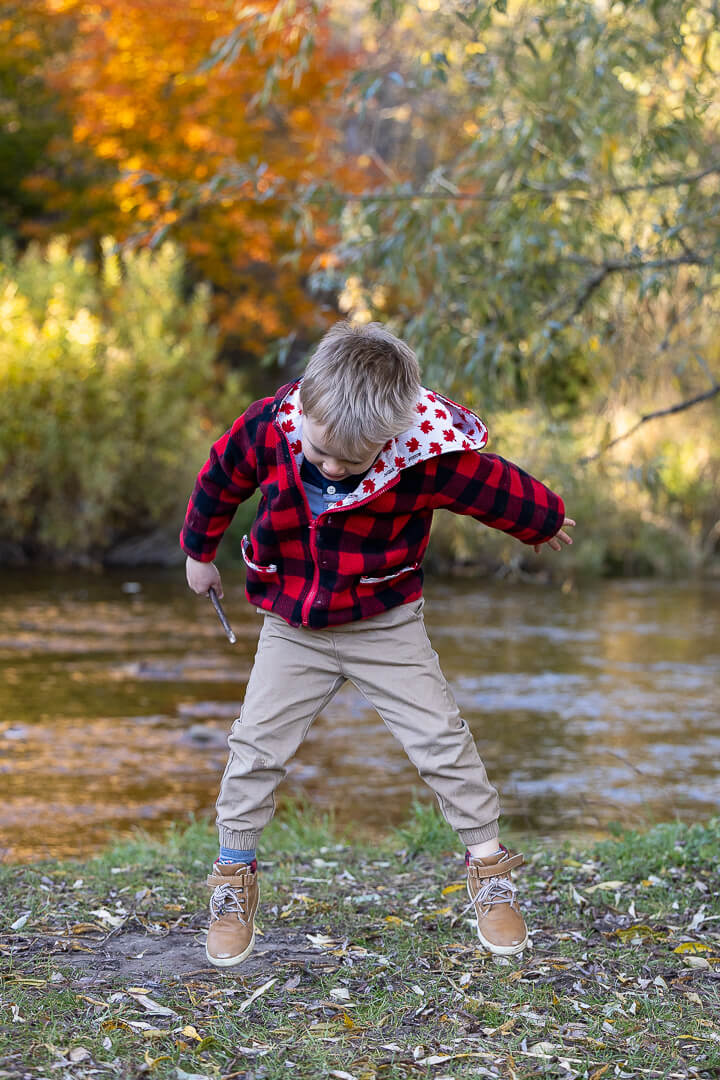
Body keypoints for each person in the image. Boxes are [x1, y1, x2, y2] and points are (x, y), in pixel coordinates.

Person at [181, 320, 574, 968]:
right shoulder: (270, 428)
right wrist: (199, 551)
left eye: (352, 460)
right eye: (323, 452)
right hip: (294, 626)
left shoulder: (424, 456)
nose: (332, 466)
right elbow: (220, 478)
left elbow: (488, 484)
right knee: (255, 746)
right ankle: (233, 877)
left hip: (382, 620)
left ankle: (491, 872)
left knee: (441, 738)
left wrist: (543, 518)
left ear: (391, 437)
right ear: (303, 407)